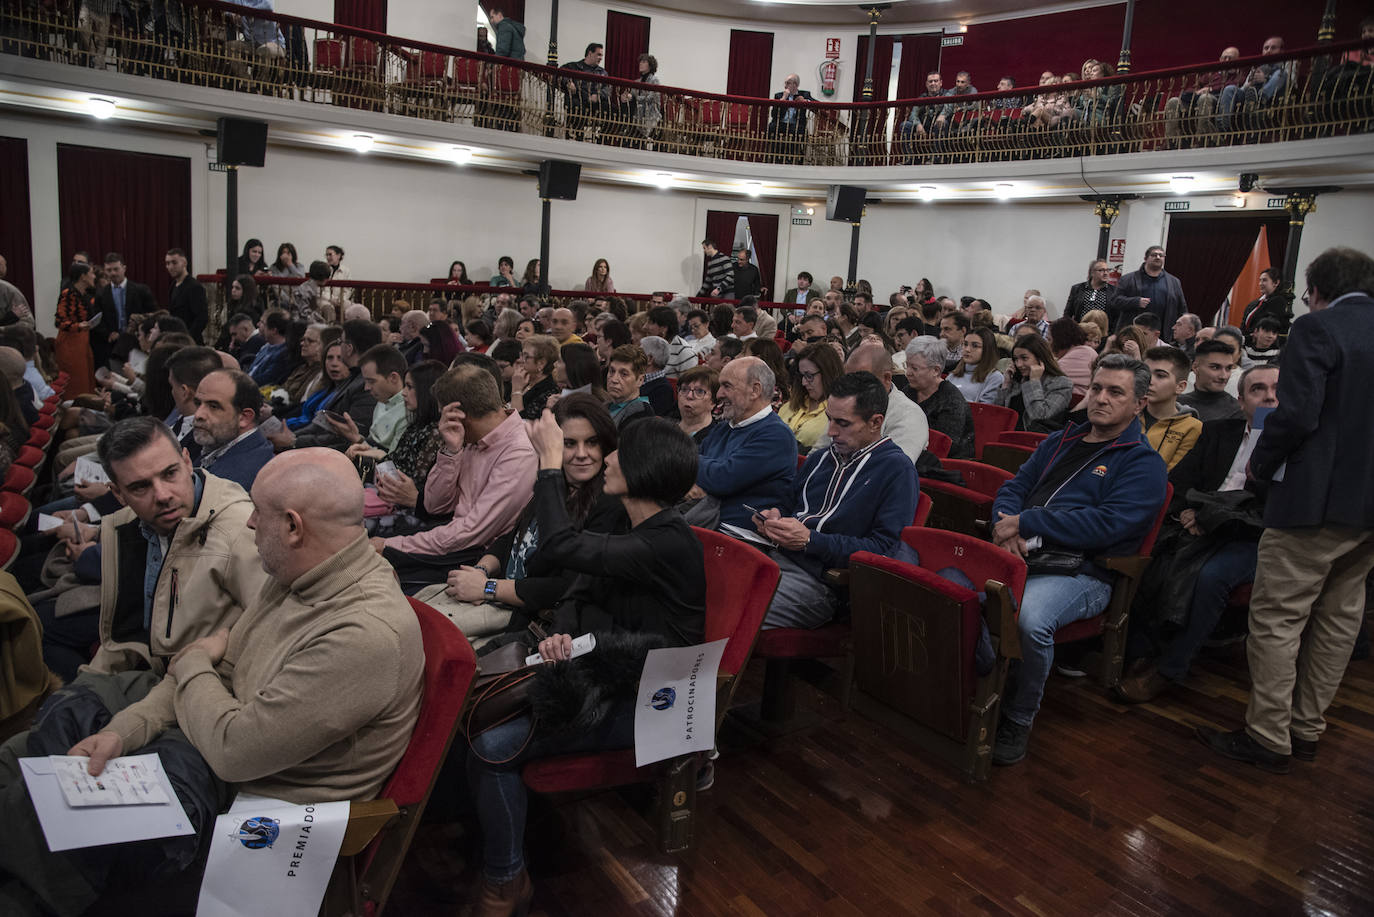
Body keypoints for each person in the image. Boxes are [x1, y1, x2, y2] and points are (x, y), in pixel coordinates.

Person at [0, 447, 422, 915]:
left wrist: (195, 662)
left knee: (39, 825)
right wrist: (124, 731)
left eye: (257, 513)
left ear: (293, 526)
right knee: (53, 736)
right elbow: (216, 670)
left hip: (253, 803)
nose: (246, 524)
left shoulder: (363, 634)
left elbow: (232, 750)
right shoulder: (298, 573)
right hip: (212, 740)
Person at [466, 416, 703, 915]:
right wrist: (561, 635)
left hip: (651, 697)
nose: (607, 459)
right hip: (598, 668)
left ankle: (505, 878)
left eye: (617, 452)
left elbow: (562, 547)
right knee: (467, 701)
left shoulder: (670, 540)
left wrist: (549, 465)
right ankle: (482, 831)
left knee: (493, 744)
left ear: (643, 468)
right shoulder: (624, 518)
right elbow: (576, 587)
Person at [1199, 247, 1374, 774]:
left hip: (1313, 501)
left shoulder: (1320, 330)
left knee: (1278, 617)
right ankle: (1306, 728)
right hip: (1366, 507)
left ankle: (1269, 734)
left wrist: (1258, 466)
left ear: (1317, 290)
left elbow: (1295, 416)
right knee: (1340, 617)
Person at [990, 354, 1169, 765]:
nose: (1101, 399)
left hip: (1084, 571)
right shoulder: (1061, 440)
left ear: (1140, 403)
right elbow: (1015, 486)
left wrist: (1028, 522)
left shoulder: (1142, 463)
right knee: (947, 581)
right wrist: (1006, 526)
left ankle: (1018, 716)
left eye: (1115, 392)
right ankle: (971, 689)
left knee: (1029, 619)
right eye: (1096, 389)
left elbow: (1108, 525)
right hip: (1021, 550)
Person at [1118, 364, 1279, 704]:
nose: (1269, 396)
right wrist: (1187, 511)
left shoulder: (1295, 444)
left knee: (1211, 577)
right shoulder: (1219, 431)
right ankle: (1141, 649)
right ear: (1241, 400)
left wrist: (1212, 515)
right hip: (1198, 522)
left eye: (1277, 389)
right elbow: (1181, 480)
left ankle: (1171, 668)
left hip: (1252, 535)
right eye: (1258, 389)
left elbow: (1273, 507)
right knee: (1153, 551)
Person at [423, 394, 626, 639]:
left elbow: (567, 587)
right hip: (493, 596)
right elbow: (514, 538)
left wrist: (488, 588)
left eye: (591, 442)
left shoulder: (608, 502)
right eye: (569, 443)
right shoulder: (554, 483)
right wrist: (480, 570)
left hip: (528, 621)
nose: (581, 454)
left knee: (425, 635)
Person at [756, 372, 919, 629]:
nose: (830, 431)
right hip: (777, 558)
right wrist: (774, 516)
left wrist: (811, 541)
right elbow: (789, 502)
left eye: (842, 423)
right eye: (829, 419)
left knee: (734, 606)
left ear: (876, 422)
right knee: (703, 586)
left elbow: (884, 551)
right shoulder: (823, 457)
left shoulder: (896, 470)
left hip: (824, 584)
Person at [376, 364, 538, 588]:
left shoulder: (519, 452)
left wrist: (392, 545)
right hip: (451, 540)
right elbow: (435, 505)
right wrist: (450, 452)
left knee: (380, 577)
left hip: (477, 559)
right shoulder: (470, 438)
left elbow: (472, 532)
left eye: (444, 412)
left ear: (459, 415)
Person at [695, 357, 795, 527]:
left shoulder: (776, 436)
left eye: (727, 386)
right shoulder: (724, 427)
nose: (719, 394)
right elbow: (691, 467)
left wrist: (690, 465)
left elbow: (721, 479)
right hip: (704, 522)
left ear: (755, 390)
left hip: (734, 536)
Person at [813, 341, 929, 463]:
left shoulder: (909, 415)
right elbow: (817, 455)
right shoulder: (845, 407)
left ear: (886, 378)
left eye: (862, 379)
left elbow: (891, 469)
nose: (851, 385)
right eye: (848, 378)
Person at [191, 368, 275, 491]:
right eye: (198, 404)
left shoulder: (237, 482)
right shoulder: (220, 447)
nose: (199, 414)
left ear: (244, 417)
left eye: (214, 406)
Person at [904, 336, 975, 459]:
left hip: (946, 465)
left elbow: (943, 446)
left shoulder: (951, 400)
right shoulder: (909, 391)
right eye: (907, 366)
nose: (907, 372)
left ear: (936, 370)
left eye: (914, 368)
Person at [995, 334, 1074, 433]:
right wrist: (1006, 384)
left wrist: (1034, 382)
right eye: (1016, 359)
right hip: (1006, 435)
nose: (1019, 364)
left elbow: (1039, 416)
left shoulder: (1061, 384)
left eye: (1024, 358)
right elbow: (997, 414)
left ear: (1040, 358)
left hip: (1035, 441)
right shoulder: (1017, 379)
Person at [1141, 346, 1202, 471]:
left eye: (1160, 375)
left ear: (1180, 387)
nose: (1149, 381)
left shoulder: (1192, 428)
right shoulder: (1127, 415)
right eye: (1145, 373)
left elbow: (1173, 475)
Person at [93, 252, 154, 370]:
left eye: (116, 269)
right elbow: (98, 319)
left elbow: (153, 314)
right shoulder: (101, 294)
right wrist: (108, 333)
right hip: (113, 347)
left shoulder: (141, 290)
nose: (113, 273)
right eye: (109, 270)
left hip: (138, 343)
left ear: (124, 268)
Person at [781, 342, 842, 454]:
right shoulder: (790, 405)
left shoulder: (840, 413)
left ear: (828, 373)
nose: (804, 382)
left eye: (809, 376)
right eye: (801, 376)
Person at [1115, 246, 1188, 338]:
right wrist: (1136, 301)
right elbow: (1115, 300)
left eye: (1161, 255)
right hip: (1134, 333)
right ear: (1145, 258)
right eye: (1154, 255)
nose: (1158, 257)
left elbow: (1182, 308)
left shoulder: (1174, 282)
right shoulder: (1128, 279)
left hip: (1163, 334)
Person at [54, 261, 98, 396]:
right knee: (76, 381)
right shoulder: (68, 294)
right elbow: (59, 321)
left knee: (86, 376)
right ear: (83, 276)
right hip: (70, 343)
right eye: (91, 273)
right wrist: (78, 326)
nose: (94, 276)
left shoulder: (84, 294)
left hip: (82, 342)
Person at [1179, 339, 1243, 422]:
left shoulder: (1237, 410)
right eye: (1215, 367)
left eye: (1228, 368)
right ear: (1195, 367)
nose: (1224, 376)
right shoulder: (1176, 403)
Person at [562, 43, 610, 141]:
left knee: (612, 109)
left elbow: (608, 89)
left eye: (602, 55)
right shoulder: (574, 66)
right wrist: (568, 82)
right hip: (578, 101)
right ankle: (578, 137)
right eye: (598, 54)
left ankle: (602, 139)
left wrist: (598, 95)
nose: (601, 58)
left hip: (595, 104)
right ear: (590, 53)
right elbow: (560, 73)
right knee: (577, 105)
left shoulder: (603, 73)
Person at [948, 326, 1005, 404]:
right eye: (965, 344)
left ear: (987, 349)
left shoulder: (995, 378)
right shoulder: (953, 375)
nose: (967, 349)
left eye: (975, 346)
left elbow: (984, 410)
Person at [511, 333, 559, 421]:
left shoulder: (549, 392)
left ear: (541, 363)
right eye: (521, 354)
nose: (520, 360)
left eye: (526, 356)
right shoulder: (524, 380)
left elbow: (520, 422)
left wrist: (516, 391)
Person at [163, 248, 208, 344]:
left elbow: (201, 318)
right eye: (167, 263)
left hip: (190, 343)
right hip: (176, 340)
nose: (170, 267)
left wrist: (187, 339)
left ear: (184, 263)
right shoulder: (173, 286)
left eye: (174, 263)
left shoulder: (194, 287)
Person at [768, 73, 815, 163]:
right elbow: (773, 115)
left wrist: (805, 101)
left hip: (796, 124)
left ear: (795, 85)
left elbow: (816, 103)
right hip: (780, 123)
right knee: (772, 127)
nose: (785, 85)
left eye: (788, 83)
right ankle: (775, 159)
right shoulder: (779, 95)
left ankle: (794, 160)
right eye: (785, 83)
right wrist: (783, 99)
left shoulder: (804, 94)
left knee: (800, 131)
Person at [604, 344, 654, 428]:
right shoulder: (605, 405)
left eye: (624, 374)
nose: (614, 380)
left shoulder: (641, 415)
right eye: (612, 371)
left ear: (640, 380)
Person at [1049, 316, 1098, 401]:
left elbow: (1050, 376)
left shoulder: (1083, 352)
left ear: (1058, 339)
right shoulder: (1085, 351)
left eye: (1049, 339)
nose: (1048, 344)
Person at [1240, 267, 1294, 335]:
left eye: (1264, 280)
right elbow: (1243, 324)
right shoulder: (1254, 303)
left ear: (1276, 283)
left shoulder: (1279, 302)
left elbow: (1267, 326)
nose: (1260, 283)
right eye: (1260, 280)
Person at [676, 365, 718, 445]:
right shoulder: (665, 431)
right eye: (684, 389)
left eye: (699, 391)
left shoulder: (716, 439)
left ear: (713, 401)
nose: (689, 396)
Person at [627, 53, 662, 142]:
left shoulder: (655, 80)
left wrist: (634, 98)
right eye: (640, 62)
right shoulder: (637, 81)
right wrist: (626, 97)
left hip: (650, 114)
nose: (640, 64)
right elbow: (632, 94)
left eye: (644, 62)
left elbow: (651, 97)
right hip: (637, 113)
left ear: (650, 65)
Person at [637, 336, 676, 417]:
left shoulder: (663, 390)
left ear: (649, 359)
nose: (635, 357)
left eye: (639, 353)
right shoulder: (639, 379)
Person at [266, 241, 305, 309]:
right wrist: (288, 300)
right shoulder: (274, 267)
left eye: (288, 253)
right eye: (283, 253)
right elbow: (275, 286)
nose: (285, 256)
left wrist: (290, 265)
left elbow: (300, 279)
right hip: (280, 299)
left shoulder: (299, 266)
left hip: (296, 298)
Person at [319, 244, 352, 314]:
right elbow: (320, 289)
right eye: (326, 255)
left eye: (330, 255)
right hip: (326, 300)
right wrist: (331, 299)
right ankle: (329, 324)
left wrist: (340, 300)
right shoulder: (322, 269)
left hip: (340, 300)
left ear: (338, 255)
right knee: (328, 308)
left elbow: (348, 290)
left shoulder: (346, 271)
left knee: (349, 306)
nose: (328, 257)